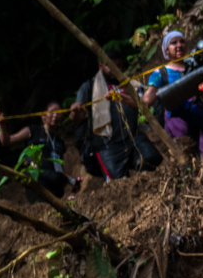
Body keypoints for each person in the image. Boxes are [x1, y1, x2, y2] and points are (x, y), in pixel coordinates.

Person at [148, 31, 203, 183]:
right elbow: (147, 100)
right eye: (173, 43)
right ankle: (196, 190)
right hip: (176, 121)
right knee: (187, 158)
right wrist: (126, 99)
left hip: (199, 114)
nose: (179, 45)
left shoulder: (194, 65)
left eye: (181, 41)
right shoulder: (160, 74)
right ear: (166, 50)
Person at [69, 51, 163, 181]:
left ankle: (143, 189)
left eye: (119, 66)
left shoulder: (130, 84)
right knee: (118, 184)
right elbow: (77, 119)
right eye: (111, 66)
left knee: (151, 159)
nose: (116, 69)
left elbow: (147, 101)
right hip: (107, 144)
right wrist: (75, 112)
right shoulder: (89, 87)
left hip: (133, 136)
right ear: (101, 66)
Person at [0, 102, 72, 198]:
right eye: (52, 112)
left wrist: (72, 180)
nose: (55, 115)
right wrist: (1, 124)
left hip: (55, 183)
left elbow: (60, 168)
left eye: (58, 113)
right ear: (43, 116)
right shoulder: (32, 130)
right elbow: (7, 141)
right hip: (37, 179)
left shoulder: (60, 142)